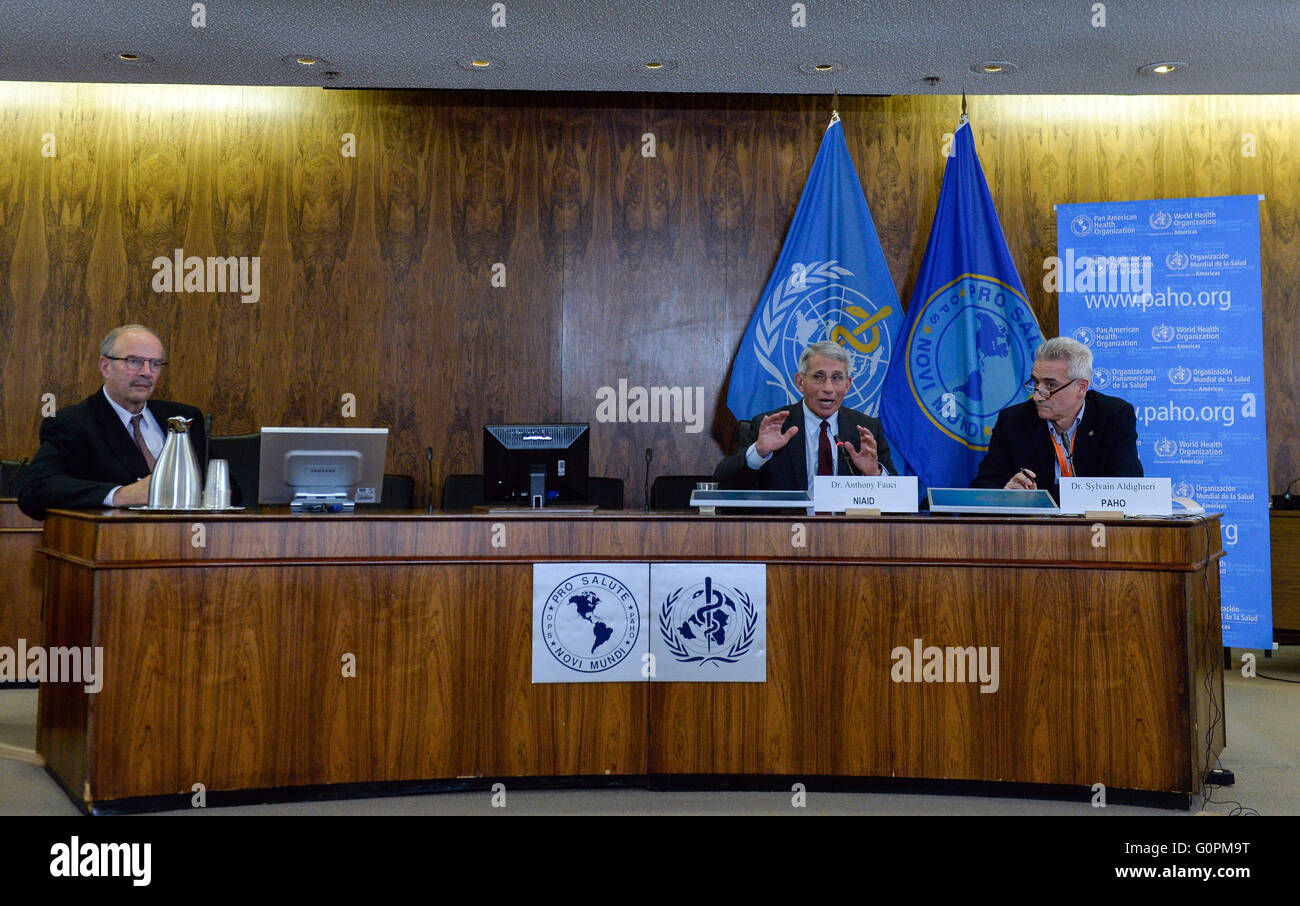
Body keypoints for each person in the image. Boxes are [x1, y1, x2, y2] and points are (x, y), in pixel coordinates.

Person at [14, 324, 208, 519]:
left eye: (155, 364)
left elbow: (227, 489)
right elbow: (34, 490)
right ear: (105, 367)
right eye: (134, 361)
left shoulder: (184, 418)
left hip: (188, 538)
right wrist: (119, 495)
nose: (147, 372)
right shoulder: (73, 423)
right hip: (115, 543)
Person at [970, 336, 1142, 502]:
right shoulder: (1013, 420)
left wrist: (1041, 496)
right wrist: (1005, 492)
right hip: (1034, 529)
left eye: (1050, 385)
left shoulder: (1114, 415)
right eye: (1036, 383)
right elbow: (982, 488)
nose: (1037, 396)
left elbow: (1128, 486)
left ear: (1081, 387)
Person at [715, 340, 895, 490]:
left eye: (837, 378)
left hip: (848, 532)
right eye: (818, 377)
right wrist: (759, 452)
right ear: (800, 382)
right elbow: (724, 484)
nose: (828, 388)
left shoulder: (866, 430)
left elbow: (898, 502)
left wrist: (874, 474)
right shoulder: (772, 427)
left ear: (848, 385)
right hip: (787, 531)